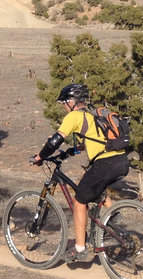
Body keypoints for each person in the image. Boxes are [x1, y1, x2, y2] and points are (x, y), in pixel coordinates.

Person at [32, 83, 129, 263]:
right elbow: (92, 142)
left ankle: (80, 249)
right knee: (94, 189)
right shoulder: (92, 114)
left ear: (71, 102)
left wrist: (40, 157)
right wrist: (71, 152)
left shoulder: (74, 116)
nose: (63, 107)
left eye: (63, 103)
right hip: (121, 161)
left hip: (105, 163)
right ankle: (114, 214)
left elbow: (55, 141)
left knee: (79, 201)